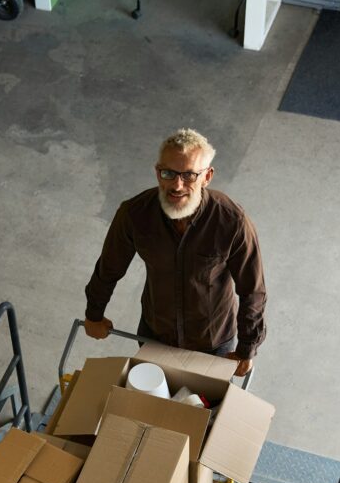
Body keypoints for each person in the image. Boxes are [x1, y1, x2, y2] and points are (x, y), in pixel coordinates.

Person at [83, 128, 267, 377]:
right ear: (158, 172)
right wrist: (94, 314)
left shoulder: (231, 222)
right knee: (152, 399)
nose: (177, 185)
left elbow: (252, 290)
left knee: (203, 407)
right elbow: (109, 268)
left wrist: (247, 347)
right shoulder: (135, 214)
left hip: (212, 342)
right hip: (155, 333)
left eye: (190, 175)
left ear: (207, 176)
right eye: (168, 173)